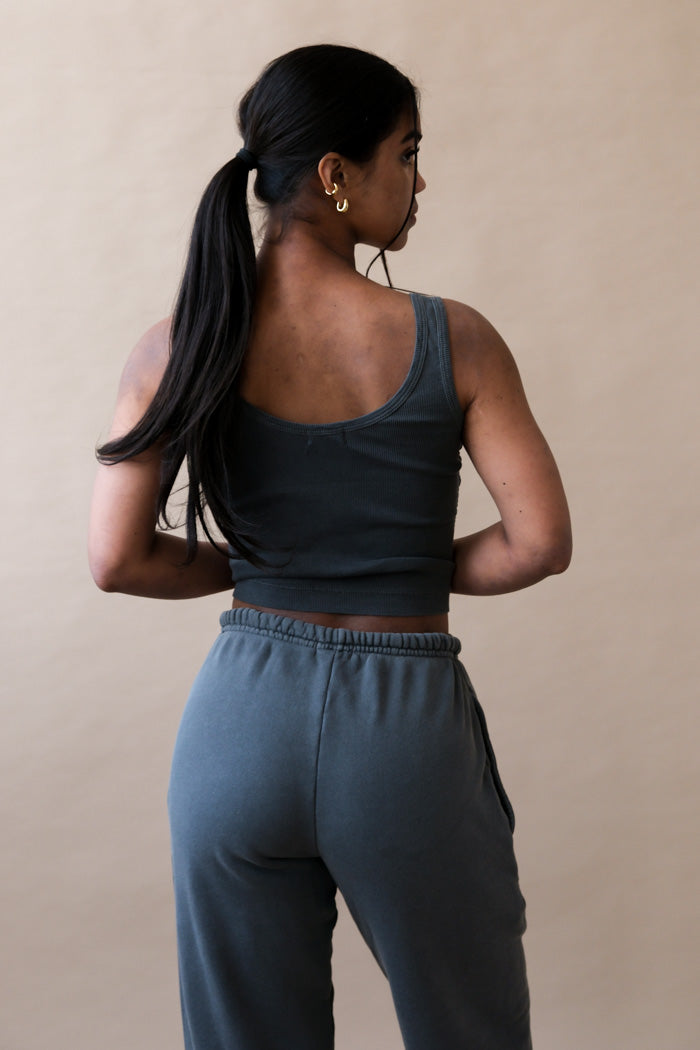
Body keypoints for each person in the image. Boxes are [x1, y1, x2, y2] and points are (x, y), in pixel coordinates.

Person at [89, 43, 571, 1050]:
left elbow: (117, 559)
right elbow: (538, 544)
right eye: (408, 152)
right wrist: (397, 570)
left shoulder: (179, 342)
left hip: (238, 726)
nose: (420, 180)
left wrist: (261, 572)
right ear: (336, 174)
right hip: (404, 737)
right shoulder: (456, 339)